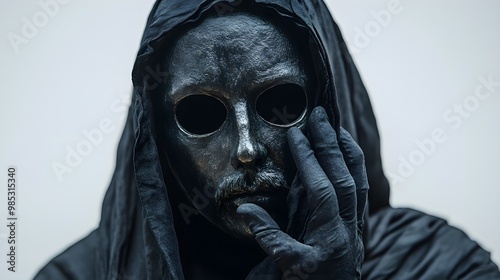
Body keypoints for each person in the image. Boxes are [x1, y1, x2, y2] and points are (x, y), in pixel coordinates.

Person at [35, 0, 500, 279]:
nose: (246, 149)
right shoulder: (76, 276)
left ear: (329, 105)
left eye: (281, 103)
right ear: (155, 140)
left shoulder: (436, 266)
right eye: (200, 113)